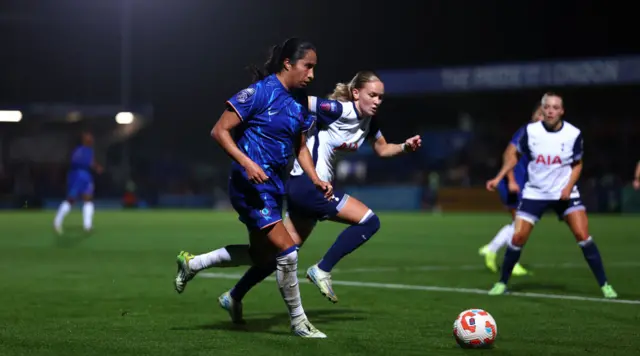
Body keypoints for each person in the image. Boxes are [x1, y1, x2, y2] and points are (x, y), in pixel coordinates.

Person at [174, 38, 331, 338]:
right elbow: (219, 131)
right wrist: (247, 163)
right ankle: (299, 322)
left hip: (273, 187)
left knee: (263, 258)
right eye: (307, 66)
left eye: (314, 68)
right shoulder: (259, 93)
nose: (312, 74)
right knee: (288, 251)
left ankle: (193, 263)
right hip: (249, 186)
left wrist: (315, 178)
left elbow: (300, 149)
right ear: (288, 63)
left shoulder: (299, 103)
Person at [485, 92, 618, 299]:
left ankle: (605, 286)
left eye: (555, 108)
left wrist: (568, 187)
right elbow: (514, 156)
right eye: (547, 107)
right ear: (543, 109)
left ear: (562, 111)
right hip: (535, 192)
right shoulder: (530, 131)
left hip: (565, 194)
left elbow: (577, 164)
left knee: (583, 236)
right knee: (518, 237)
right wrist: (499, 177)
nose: (551, 111)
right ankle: (502, 283)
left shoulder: (573, 134)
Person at [478, 105, 544, 275]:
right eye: (540, 113)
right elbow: (509, 155)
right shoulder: (526, 132)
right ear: (534, 114)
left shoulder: (544, 137)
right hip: (514, 185)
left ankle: (492, 250)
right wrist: (510, 180)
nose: (542, 117)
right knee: (521, 226)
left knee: (520, 225)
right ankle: (509, 260)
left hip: (525, 186)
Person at [54, 132, 103, 234]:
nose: (91, 139)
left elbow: (91, 162)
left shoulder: (90, 151)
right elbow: (75, 161)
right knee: (71, 199)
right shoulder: (78, 150)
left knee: (88, 198)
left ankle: (87, 225)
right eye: (88, 137)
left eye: (91, 138)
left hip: (86, 176)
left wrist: (97, 167)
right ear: (84, 139)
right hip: (77, 175)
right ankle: (57, 221)